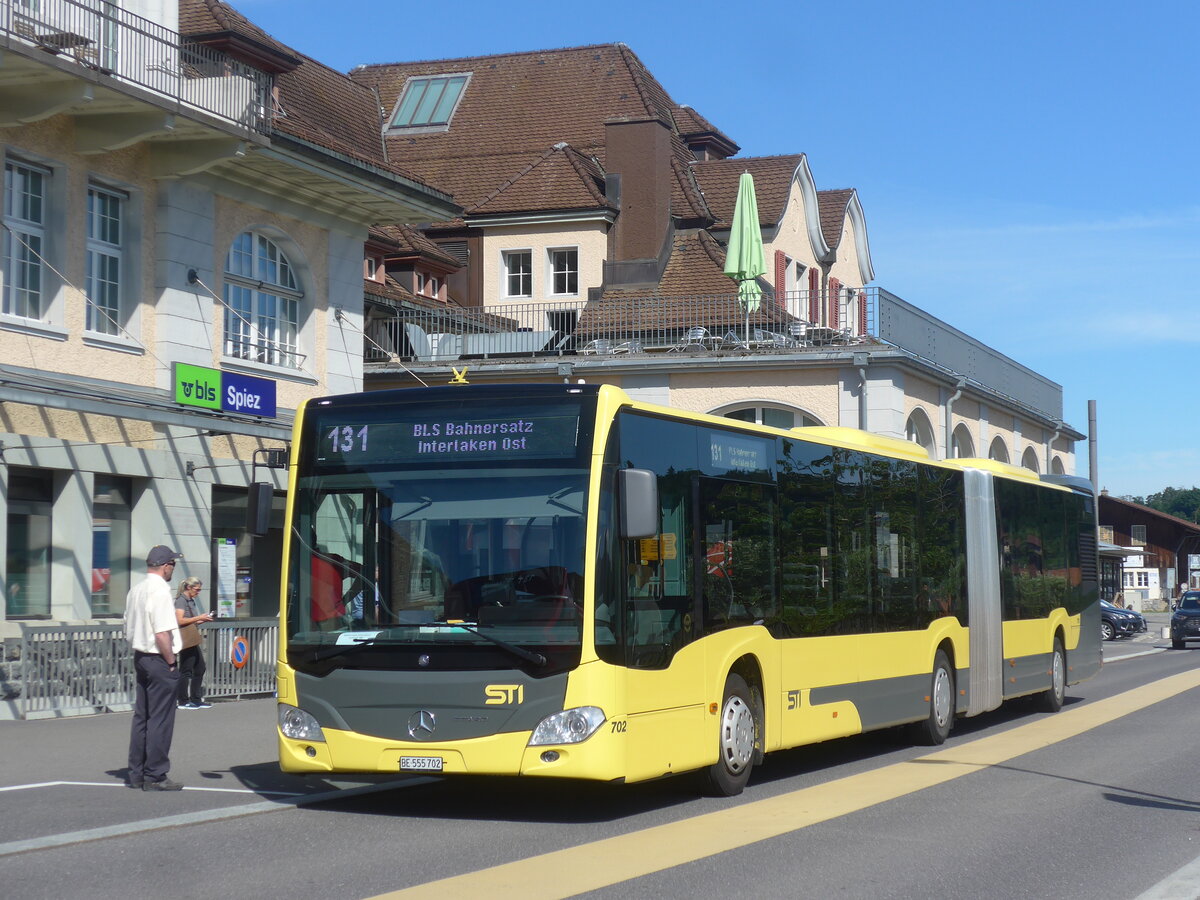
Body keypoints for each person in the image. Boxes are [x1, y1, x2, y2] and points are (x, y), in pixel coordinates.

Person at [124, 544, 185, 791]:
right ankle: (156, 774)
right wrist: (171, 661)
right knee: (160, 719)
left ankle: (136, 772)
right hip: (159, 658)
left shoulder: (136, 589)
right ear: (165, 566)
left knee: (142, 717)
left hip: (141, 656)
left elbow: (126, 625)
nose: (173, 569)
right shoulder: (160, 591)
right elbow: (162, 633)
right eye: (173, 564)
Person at [174, 576, 214, 709]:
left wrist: (203, 619)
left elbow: (190, 620)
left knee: (200, 667)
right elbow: (179, 620)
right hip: (185, 639)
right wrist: (199, 617)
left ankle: (196, 699)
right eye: (197, 590)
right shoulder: (181, 601)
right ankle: (183, 700)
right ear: (189, 588)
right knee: (186, 669)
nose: (198, 592)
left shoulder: (191, 601)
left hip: (191, 637)